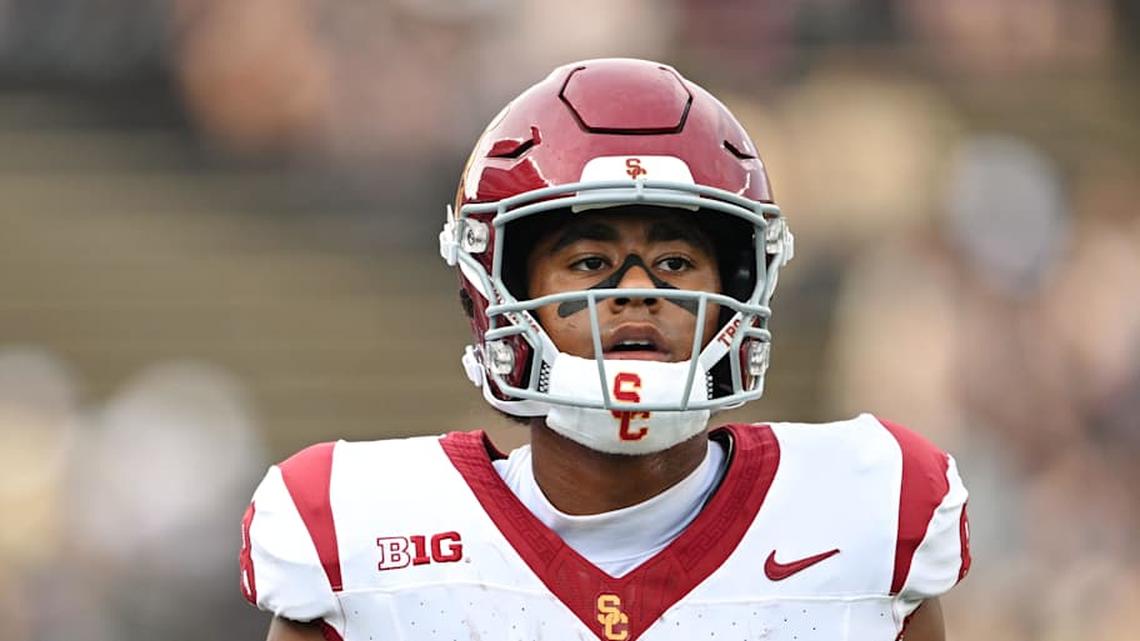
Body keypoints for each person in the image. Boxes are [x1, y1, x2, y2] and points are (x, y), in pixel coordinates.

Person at [239, 58, 970, 641]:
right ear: (493, 289)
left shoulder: (864, 517)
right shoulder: (363, 538)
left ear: (742, 286)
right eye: (589, 262)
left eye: (677, 263)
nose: (636, 293)